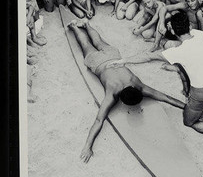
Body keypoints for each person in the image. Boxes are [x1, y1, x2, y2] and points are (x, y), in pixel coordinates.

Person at [109, 10, 203, 144]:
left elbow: (147, 57)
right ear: (189, 27)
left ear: (174, 33)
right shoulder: (200, 35)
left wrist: (122, 61)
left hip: (202, 93)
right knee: (184, 72)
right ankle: (198, 109)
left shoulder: (179, 52)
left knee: (189, 122)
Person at [66, 19, 187, 163]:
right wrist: (87, 146)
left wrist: (186, 107)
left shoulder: (134, 85)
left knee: (96, 43)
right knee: (87, 45)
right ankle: (76, 26)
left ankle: (85, 25)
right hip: (100, 61)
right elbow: (165, 97)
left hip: (113, 57)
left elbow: (99, 120)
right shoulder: (120, 91)